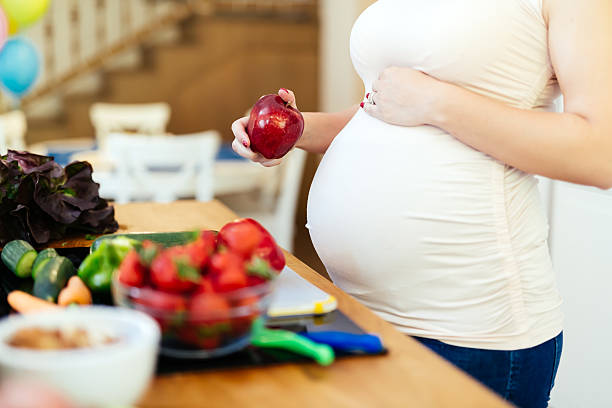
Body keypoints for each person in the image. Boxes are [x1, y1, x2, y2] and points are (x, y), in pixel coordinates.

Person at [231, 1, 612, 406]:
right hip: (357, 312)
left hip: (469, 337)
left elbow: (598, 153)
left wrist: (436, 101)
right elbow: (383, 109)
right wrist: (299, 128)